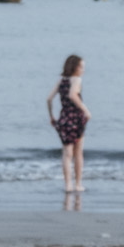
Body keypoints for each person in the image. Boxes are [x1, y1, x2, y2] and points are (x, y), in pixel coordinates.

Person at [46, 54, 90, 194]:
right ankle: (78, 184)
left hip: (64, 119)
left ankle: (67, 185)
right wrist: (85, 110)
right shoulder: (76, 80)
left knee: (66, 154)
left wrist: (52, 116)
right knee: (78, 153)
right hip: (76, 119)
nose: (83, 70)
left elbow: (49, 99)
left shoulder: (61, 81)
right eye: (82, 66)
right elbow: (72, 95)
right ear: (76, 67)